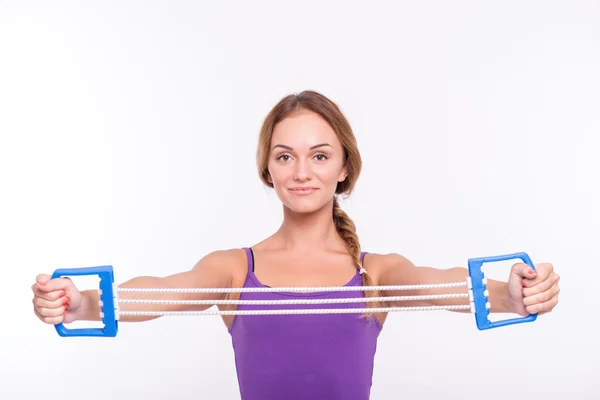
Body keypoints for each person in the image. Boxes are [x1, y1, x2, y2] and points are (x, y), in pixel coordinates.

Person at [31, 90, 560, 399]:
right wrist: (79, 304)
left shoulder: (377, 273)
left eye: (320, 155)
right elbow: (157, 293)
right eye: (285, 156)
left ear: (344, 167)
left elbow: (449, 287)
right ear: (268, 169)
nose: (302, 172)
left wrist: (515, 295)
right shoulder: (234, 270)